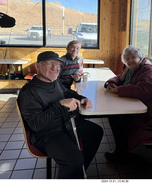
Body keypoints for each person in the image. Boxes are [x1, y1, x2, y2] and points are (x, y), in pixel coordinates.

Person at [17, 51, 103, 179]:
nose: (55, 68)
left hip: (65, 123)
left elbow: (67, 93)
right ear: (37, 66)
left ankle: (78, 172)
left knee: (96, 132)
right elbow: (36, 125)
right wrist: (60, 104)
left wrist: (81, 98)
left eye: (57, 64)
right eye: (49, 63)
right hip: (47, 133)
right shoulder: (28, 92)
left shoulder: (54, 81)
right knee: (74, 160)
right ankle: (75, 169)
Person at [104, 45, 152, 161]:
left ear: (140, 58)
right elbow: (121, 79)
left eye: (133, 57)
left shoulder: (148, 71)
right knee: (114, 118)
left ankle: (120, 153)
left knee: (120, 122)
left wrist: (119, 90)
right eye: (127, 59)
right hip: (142, 107)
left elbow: (143, 90)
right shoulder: (132, 70)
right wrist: (110, 83)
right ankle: (121, 149)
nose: (130, 60)